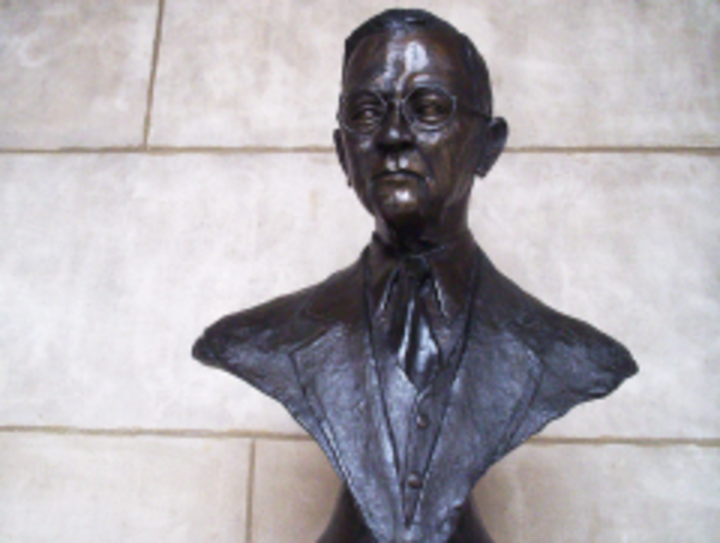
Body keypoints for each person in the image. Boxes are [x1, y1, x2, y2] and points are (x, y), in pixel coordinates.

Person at [193, 9, 637, 543]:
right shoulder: (260, 337)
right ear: (342, 152)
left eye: (427, 109)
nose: (394, 135)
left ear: (487, 145)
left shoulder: (568, 352)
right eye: (366, 112)